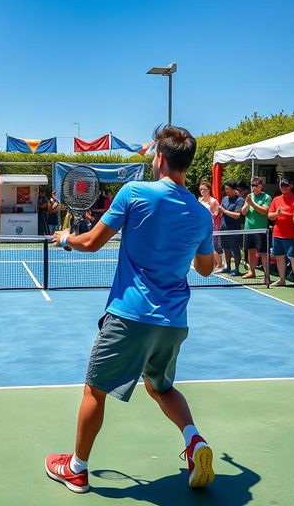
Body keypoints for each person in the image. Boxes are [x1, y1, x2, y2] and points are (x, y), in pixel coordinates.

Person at [46, 125, 215, 494]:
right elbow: (206, 267)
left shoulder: (134, 192)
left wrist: (64, 239)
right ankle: (194, 441)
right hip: (173, 321)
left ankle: (75, 468)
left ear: (160, 158)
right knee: (162, 388)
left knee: (95, 389)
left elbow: (91, 243)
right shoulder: (202, 214)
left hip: (130, 315)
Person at [268, 178, 294, 289]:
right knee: (279, 257)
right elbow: (270, 215)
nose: (284, 187)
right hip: (277, 234)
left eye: (286, 185)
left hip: (292, 234)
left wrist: (284, 213)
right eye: (282, 185)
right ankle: (282, 279)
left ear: (291, 186)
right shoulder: (276, 199)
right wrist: (277, 214)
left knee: (293, 258)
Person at [240, 176, 272, 280]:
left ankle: (267, 275)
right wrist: (247, 204)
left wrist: (252, 204)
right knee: (250, 251)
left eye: (256, 185)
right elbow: (244, 213)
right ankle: (251, 272)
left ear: (261, 186)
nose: (254, 187)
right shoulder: (249, 196)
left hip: (261, 229)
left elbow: (264, 211)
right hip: (248, 228)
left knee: (263, 252)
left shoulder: (267, 197)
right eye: (252, 185)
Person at [219, 180, 245, 276]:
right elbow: (221, 211)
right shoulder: (224, 199)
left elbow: (237, 215)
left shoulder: (240, 200)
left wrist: (224, 211)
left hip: (234, 228)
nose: (225, 190)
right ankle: (228, 267)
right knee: (225, 248)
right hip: (224, 227)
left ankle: (237, 269)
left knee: (235, 248)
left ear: (234, 190)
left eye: (227, 189)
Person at [198, 180, 222, 271]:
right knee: (205, 245)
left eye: (204, 189)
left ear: (209, 190)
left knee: (212, 246)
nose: (202, 191)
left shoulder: (213, 201)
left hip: (212, 226)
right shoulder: (200, 200)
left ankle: (219, 265)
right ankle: (214, 264)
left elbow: (216, 214)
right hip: (202, 226)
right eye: (200, 189)